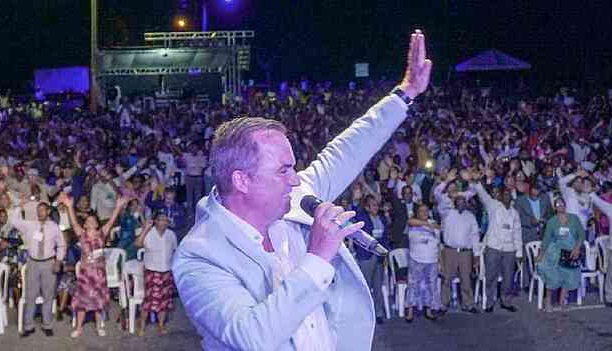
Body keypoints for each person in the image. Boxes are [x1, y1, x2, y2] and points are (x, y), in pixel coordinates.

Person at [172, 30, 432, 351]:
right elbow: (253, 338)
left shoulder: (290, 199)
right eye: (284, 170)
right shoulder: (199, 255)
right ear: (242, 180)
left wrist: (405, 93)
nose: (296, 180)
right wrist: (318, 257)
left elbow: (346, 150)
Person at [59, 193, 128, 338]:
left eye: (93, 220)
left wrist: (118, 206)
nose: (90, 222)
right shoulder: (81, 234)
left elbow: (111, 220)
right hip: (85, 275)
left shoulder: (102, 234)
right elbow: (73, 222)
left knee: (98, 303)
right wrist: (70, 206)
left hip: (99, 275)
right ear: (85, 224)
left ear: (97, 224)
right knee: (82, 303)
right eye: (88, 220)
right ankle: (78, 328)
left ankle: (99, 325)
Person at [9, 199, 65, 338]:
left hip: (48, 263)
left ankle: (47, 325)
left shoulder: (54, 226)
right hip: (33, 262)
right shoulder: (30, 225)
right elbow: (14, 222)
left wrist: (58, 261)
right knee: (30, 295)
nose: (39, 213)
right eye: (38, 210)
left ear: (48, 212)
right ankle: (28, 326)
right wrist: (18, 206)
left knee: (48, 295)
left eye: (42, 210)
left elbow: (61, 245)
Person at [470, 178, 523, 313]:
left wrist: (519, 253)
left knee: (508, 277)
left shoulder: (514, 213)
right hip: (493, 247)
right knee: (491, 276)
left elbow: (517, 233)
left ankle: (506, 301)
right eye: (504, 194)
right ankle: (489, 302)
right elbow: (483, 194)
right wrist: (475, 182)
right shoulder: (493, 205)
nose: (506, 197)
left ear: (511, 197)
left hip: (509, 249)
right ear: (500, 196)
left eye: (508, 195)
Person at [536, 198, 585, 312]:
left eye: (562, 203)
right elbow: (546, 239)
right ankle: (548, 300)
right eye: (557, 204)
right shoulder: (552, 221)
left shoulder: (574, 218)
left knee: (568, 276)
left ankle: (562, 301)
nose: (560, 206)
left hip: (571, 251)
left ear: (565, 205)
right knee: (552, 275)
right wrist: (541, 254)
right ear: (555, 207)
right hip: (555, 252)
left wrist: (577, 248)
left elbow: (581, 235)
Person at [136, 211, 179, 336]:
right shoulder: (149, 233)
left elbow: (175, 252)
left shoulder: (171, 234)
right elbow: (138, 244)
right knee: (149, 300)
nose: (163, 222)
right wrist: (145, 229)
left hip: (167, 271)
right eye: (160, 219)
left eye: (166, 220)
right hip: (152, 271)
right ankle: (142, 325)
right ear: (155, 221)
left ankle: (161, 325)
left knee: (164, 301)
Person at [438, 195, 481, 315]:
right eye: (458, 201)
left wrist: (476, 255)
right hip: (449, 251)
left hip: (465, 253)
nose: (461, 204)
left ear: (466, 203)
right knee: (446, 279)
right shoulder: (447, 213)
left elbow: (475, 236)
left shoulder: (471, 217)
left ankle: (468, 304)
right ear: (454, 203)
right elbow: (439, 197)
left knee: (466, 280)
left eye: (463, 202)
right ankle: (443, 304)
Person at [353, 195, 390, 324]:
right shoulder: (362, 218)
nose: (376, 207)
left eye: (376, 205)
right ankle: (364, 314)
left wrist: (385, 254)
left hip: (378, 256)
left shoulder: (382, 218)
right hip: (366, 255)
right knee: (366, 287)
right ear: (367, 207)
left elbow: (385, 237)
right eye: (373, 205)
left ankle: (378, 313)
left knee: (377, 286)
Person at [404, 203, 441, 322]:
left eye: (426, 211)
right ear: (417, 213)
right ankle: (410, 311)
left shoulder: (434, 223)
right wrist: (427, 224)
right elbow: (410, 221)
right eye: (421, 211)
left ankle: (428, 310)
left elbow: (439, 244)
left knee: (431, 286)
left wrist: (441, 261)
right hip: (416, 259)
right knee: (413, 285)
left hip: (432, 260)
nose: (424, 213)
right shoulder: (413, 223)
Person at [514, 183, 554, 291]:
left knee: (542, 258)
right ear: (529, 189)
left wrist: (546, 221)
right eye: (535, 189)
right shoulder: (520, 201)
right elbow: (516, 218)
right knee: (527, 259)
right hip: (527, 232)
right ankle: (527, 284)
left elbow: (550, 214)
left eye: (539, 189)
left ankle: (542, 282)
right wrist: (529, 221)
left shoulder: (545, 198)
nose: (537, 191)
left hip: (542, 232)